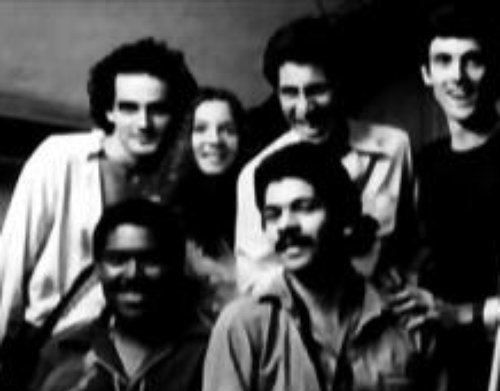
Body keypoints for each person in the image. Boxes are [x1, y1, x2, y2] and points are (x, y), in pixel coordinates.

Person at [189, 143, 464, 391]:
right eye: (272, 214)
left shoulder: (407, 320)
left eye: (304, 207)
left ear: (345, 217)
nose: (286, 225)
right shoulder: (244, 326)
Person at [0, 37, 197, 346]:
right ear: (109, 111)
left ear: (175, 114)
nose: (143, 123)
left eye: (157, 110)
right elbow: (10, 266)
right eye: (129, 108)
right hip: (51, 347)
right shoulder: (60, 158)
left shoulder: (177, 183)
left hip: (133, 352)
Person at [11, 199, 208, 391]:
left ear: (175, 266)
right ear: (98, 268)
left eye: (150, 260)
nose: (132, 274)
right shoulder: (65, 350)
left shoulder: (208, 352)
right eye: (117, 260)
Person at [235, 15, 415, 292]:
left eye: (316, 90)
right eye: (290, 93)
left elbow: (413, 245)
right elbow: (252, 285)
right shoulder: (254, 175)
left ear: (341, 84)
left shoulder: (394, 147)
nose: (304, 109)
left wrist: (404, 281)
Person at [391, 3, 500, 391]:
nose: (457, 76)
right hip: (451, 378)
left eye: (473, 60)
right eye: (443, 61)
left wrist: (461, 314)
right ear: (426, 74)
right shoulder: (427, 163)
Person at [167, 87, 247, 325]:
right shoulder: (169, 214)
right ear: (186, 139)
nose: (214, 140)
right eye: (201, 129)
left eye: (227, 130)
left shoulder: (261, 202)